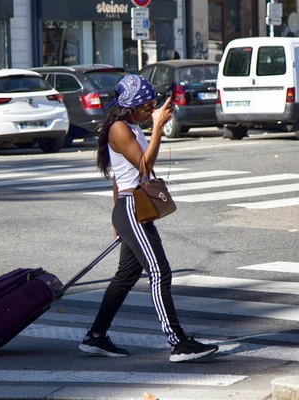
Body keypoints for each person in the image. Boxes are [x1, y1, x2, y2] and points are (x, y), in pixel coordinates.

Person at [78, 74, 219, 363]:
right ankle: (177, 342)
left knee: (126, 276)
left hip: (130, 209)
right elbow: (144, 166)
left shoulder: (129, 126)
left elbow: (119, 179)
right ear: (132, 108)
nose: (151, 110)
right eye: (147, 107)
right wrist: (158, 126)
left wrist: (117, 221)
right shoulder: (119, 128)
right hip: (132, 208)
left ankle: (95, 336)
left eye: (154, 105)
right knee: (159, 272)